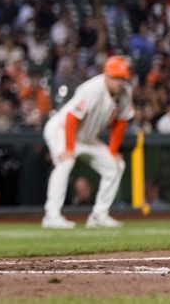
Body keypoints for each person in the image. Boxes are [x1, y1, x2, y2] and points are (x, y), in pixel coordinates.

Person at [41, 56, 134, 229]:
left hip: (86, 138)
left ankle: (99, 215)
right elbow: (71, 117)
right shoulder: (92, 88)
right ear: (106, 75)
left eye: (122, 78)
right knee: (65, 163)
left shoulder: (125, 92)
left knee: (116, 165)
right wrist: (68, 148)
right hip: (61, 130)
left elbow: (120, 123)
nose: (119, 82)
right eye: (116, 78)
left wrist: (113, 152)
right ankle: (51, 216)